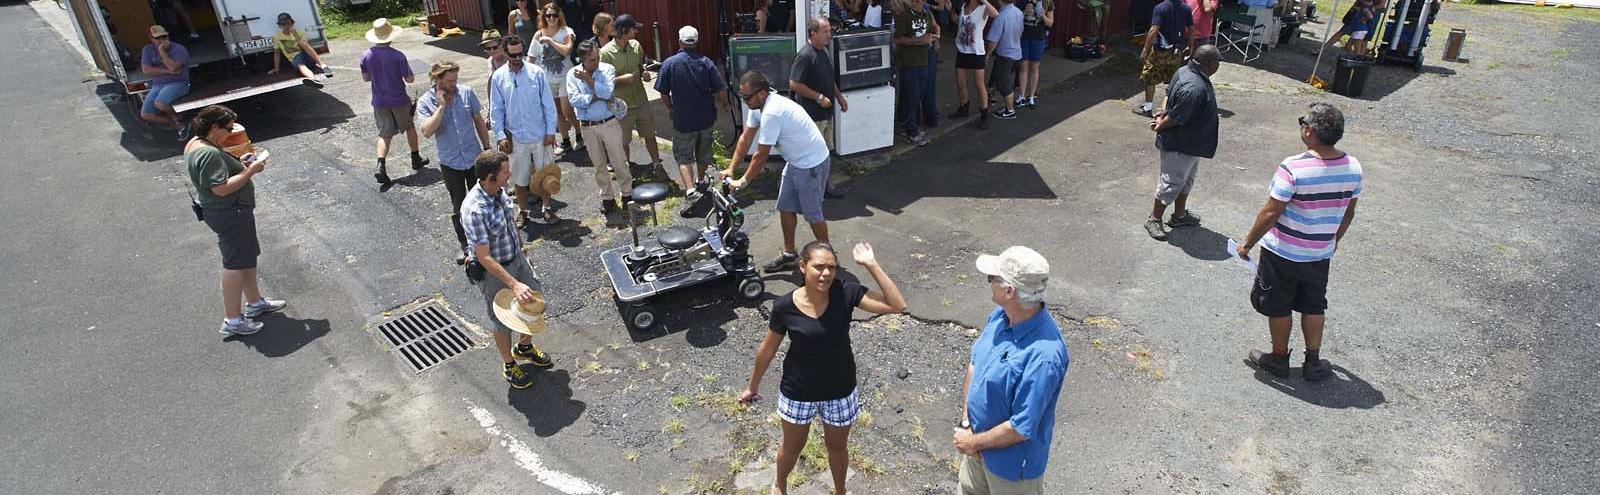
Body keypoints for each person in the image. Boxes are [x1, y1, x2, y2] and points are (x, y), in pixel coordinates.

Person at [739, 241, 908, 495]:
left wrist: (871, 264)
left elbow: (897, 305)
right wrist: (752, 387)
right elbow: (767, 350)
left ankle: (840, 491)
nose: (826, 273)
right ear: (802, 266)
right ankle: (780, 485)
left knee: (837, 448)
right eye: (819, 267)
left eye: (831, 267)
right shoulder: (785, 306)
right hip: (798, 391)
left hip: (840, 390)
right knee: (792, 447)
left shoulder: (846, 292)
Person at [1236, 103, 1362, 382]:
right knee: (1314, 304)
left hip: (1283, 252)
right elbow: (1348, 212)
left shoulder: (1293, 167)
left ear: (1309, 132)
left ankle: (1279, 358)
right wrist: (1333, 240)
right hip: (1319, 253)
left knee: (1279, 305)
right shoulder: (1353, 167)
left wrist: (1247, 245)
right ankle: (1313, 361)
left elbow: (1271, 212)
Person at [955, 246, 1068, 495]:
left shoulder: (1044, 356)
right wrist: (967, 422)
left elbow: (1021, 427)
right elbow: (976, 363)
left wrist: (973, 442)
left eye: (991, 279)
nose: (989, 283)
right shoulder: (1000, 316)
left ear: (1009, 290)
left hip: (1010, 470)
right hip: (976, 447)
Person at [185, 105, 287, 336]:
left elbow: (216, 173)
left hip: (228, 212)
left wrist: (239, 161)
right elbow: (220, 188)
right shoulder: (207, 152)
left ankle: (255, 303)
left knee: (246, 258)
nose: (230, 133)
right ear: (213, 127)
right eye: (228, 128)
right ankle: (232, 319)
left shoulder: (197, 143)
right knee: (234, 266)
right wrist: (251, 171)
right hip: (230, 212)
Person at [461, 150, 556, 389]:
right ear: (490, 177)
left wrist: (522, 251)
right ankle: (509, 363)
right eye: (505, 172)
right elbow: (483, 256)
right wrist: (513, 283)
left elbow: (510, 223)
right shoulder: (474, 209)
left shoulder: (499, 191)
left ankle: (524, 347)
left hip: (516, 259)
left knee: (533, 301)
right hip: (494, 272)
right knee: (502, 320)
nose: (509, 174)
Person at [723, 71, 833, 273]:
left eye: (747, 97)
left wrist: (743, 181)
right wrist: (731, 168)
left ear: (762, 93)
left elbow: (760, 154)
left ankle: (828, 257)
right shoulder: (757, 107)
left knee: (812, 214)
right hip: (795, 162)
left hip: (811, 164)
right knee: (785, 207)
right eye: (742, 96)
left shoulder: (773, 111)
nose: (744, 100)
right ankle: (790, 255)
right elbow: (745, 139)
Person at [418, 61, 495, 263]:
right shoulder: (426, 101)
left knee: (483, 199)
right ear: (437, 79)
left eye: (456, 79)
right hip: (450, 162)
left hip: (473, 157)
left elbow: (478, 120)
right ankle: (467, 245)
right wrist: (441, 107)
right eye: (450, 80)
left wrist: (487, 148)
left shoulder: (466, 92)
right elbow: (426, 131)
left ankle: (488, 240)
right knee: (459, 205)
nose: (454, 84)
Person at [1144, 45, 1220, 240]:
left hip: (1192, 143)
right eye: (1218, 61)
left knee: (1186, 181)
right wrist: (1161, 123)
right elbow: (1177, 118)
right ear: (1210, 63)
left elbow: (1169, 94)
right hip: (1180, 144)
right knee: (1171, 183)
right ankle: (1154, 219)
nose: (1219, 65)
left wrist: (1161, 111)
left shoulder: (1184, 70)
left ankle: (1179, 215)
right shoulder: (1194, 88)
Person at [490, 36, 562, 227]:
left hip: (540, 134)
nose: (517, 57)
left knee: (545, 174)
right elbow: (496, 109)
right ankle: (523, 211)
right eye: (512, 54)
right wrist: (500, 135)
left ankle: (547, 209)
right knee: (519, 178)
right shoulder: (498, 77)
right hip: (516, 137)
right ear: (505, 53)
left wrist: (550, 132)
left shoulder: (536, 73)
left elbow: (548, 104)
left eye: (520, 53)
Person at [656, 25, 728, 200]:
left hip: (683, 120)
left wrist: (670, 108)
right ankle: (700, 180)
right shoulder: (706, 62)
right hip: (706, 117)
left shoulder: (669, 64)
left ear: (679, 42)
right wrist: (726, 105)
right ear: (696, 42)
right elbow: (721, 89)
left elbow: (663, 91)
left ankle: (690, 190)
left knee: (683, 156)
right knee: (703, 152)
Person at [568, 39, 633, 222]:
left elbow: (608, 93)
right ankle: (607, 198)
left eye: (597, 58)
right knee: (598, 164)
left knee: (619, 159)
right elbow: (574, 100)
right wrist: (595, 96)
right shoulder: (572, 75)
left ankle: (627, 193)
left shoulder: (607, 69)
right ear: (582, 59)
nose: (595, 63)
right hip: (588, 126)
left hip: (609, 122)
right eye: (591, 60)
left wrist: (589, 81)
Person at [361, 18, 429, 185]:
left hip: (379, 101)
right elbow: (410, 79)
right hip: (399, 99)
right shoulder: (398, 56)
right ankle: (415, 158)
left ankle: (380, 166)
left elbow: (366, 78)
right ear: (390, 36)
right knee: (409, 127)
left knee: (385, 134)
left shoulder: (366, 56)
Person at [602, 15, 666, 176]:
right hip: (622, 105)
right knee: (623, 140)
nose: (636, 31)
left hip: (641, 100)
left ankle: (657, 163)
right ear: (624, 31)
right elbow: (602, 84)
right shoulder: (605, 53)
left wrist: (644, 73)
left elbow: (640, 66)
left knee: (650, 134)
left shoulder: (636, 46)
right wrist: (622, 80)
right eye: (634, 28)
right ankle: (626, 170)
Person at [791, 17, 849, 153]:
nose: (829, 35)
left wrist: (839, 97)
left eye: (830, 31)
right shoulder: (805, 56)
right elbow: (794, 84)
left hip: (827, 114)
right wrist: (819, 97)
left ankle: (824, 174)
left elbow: (829, 78)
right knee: (813, 153)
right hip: (812, 116)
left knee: (826, 151)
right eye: (825, 32)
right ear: (812, 34)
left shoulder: (824, 50)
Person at [534, 2, 583, 154]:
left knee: (567, 109)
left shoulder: (566, 32)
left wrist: (550, 41)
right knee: (556, 112)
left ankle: (579, 134)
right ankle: (565, 140)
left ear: (559, 16)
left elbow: (567, 50)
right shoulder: (539, 34)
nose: (551, 18)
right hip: (548, 77)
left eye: (554, 15)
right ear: (544, 17)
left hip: (565, 76)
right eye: (548, 15)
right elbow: (531, 56)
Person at [1135, 0, 1194, 117]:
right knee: (1173, 81)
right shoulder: (1185, 8)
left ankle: (1148, 108)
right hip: (1176, 52)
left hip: (1159, 51)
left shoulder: (1160, 8)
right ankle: (1167, 109)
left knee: (1150, 77)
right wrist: (1191, 46)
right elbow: (1191, 28)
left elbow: (1153, 30)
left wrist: (1145, 50)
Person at [894, 0, 938, 146]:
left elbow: (934, 28)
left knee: (918, 95)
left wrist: (935, 39)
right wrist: (920, 40)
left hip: (924, 62)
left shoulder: (927, 14)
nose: (916, 2)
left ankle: (909, 127)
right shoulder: (903, 16)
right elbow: (898, 39)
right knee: (912, 97)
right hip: (909, 63)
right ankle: (911, 131)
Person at [950, 0, 997, 129]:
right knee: (960, 81)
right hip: (962, 50)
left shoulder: (983, 8)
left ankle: (984, 115)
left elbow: (995, 14)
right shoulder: (964, 5)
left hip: (976, 52)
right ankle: (963, 108)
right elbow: (960, 23)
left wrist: (985, 1)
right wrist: (950, 10)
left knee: (979, 84)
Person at [140, 25, 191, 140]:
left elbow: (173, 68)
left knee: (160, 103)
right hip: (158, 85)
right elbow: (146, 70)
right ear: (151, 39)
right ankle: (177, 125)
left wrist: (162, 52)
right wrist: (167, 71)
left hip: (178, 83)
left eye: (164, 36)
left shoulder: (179, 49)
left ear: (168, 35)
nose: (161, 40)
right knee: (146, 115)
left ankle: (181, 119)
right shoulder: (147, 49)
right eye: (157, 38)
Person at [268, 13, 332, 88]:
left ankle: (323, 65)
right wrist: (276, 68)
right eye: (284, 24)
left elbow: (305, 46)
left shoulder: (300, 33)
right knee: (300, 64)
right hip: (295, 59)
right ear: (280, 26)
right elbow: (277, 53)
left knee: (305, 45)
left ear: (292, 23)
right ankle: (313, 79)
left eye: (289, 23)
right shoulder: (277, 37)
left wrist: (294, 34)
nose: (287, 26)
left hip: (306, 56)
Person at [984, 0, 1023, 121]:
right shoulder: (1018, 12)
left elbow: (993, 40)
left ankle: (1010, 110)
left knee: (1003, 83)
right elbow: (1021, 32)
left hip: (1005, 54)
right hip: (1016, 52)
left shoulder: (1000, 17)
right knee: (997, 76)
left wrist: (987, 55)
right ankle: (992, 96)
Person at [1016, 0, 1053, 109]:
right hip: (1024, 38)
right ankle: (1022, 96)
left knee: (1034, 68)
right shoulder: (1022, 1)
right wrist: (1024, 12)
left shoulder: (1047, 3)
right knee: (1023, 67)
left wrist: (1043, 16)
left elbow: (1050, 23)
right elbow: (1015, 18)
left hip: (1038, 39)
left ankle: (1031, 97)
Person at [482, 29, 508, 99]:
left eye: (495, 47)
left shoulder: (510, 58)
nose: (492, 51)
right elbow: (491, 83)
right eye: (488, 48)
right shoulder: (490, 61)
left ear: (501, 45)